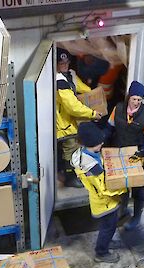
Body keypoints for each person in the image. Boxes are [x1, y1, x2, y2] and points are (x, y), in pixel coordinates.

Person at [71, 122, 127, 263]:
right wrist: (124, 187)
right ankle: (101, 252)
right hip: (105, 203)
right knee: (108, 227)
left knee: (108, 227)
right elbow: (104, 189)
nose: (102, 144)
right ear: (90, 143)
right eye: (99, 143)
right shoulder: (93, 169)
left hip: (102, 200)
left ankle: (106, 242)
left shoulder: (83, 153)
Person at [105, 81, 144, 231]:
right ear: (129, 97)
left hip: (137, 157)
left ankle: (136, 217)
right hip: (118, 153)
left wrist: (142, 152)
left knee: (138, 189)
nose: (136, 102)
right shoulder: (118, 109)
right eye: (134, 99)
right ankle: (122, 211)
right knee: (122, 186)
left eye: (139, 100)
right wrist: (101, 141)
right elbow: (109, 128)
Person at [56, 49, 103, 188]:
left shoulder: (70, 75)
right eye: (61, 63)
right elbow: (72, 107)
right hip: (64, 125)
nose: (65, 65)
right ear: (56, 64)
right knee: (69, 151)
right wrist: (92, 114)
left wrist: (96, 96)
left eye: (66, 62)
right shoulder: (59, 80)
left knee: (76, 149)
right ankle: (69, 178)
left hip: (72, 121)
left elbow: (83, 89)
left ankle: (74, 173)